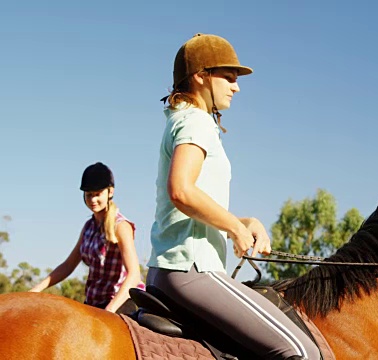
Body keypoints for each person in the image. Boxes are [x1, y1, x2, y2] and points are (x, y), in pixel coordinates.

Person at [147, 33, 320, 360]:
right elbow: (181, 191)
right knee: (302, 351)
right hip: (192, 269)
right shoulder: (196, 121)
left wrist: (243, 222)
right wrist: (236, 230)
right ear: (200, 76)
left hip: (172, 267)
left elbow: (190, 204)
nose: (236, 86)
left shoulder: (184, 119)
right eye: (228, 77)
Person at [30, 162, 144, 314]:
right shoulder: (88, 227)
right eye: (89, 195)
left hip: (120, 301)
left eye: (98, 194)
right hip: (94, 302)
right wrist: (36, 289)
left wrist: (110, 309)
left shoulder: (121, 226)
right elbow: (68, 265)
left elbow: (134, 274)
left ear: (110, 192)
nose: (93, 200)